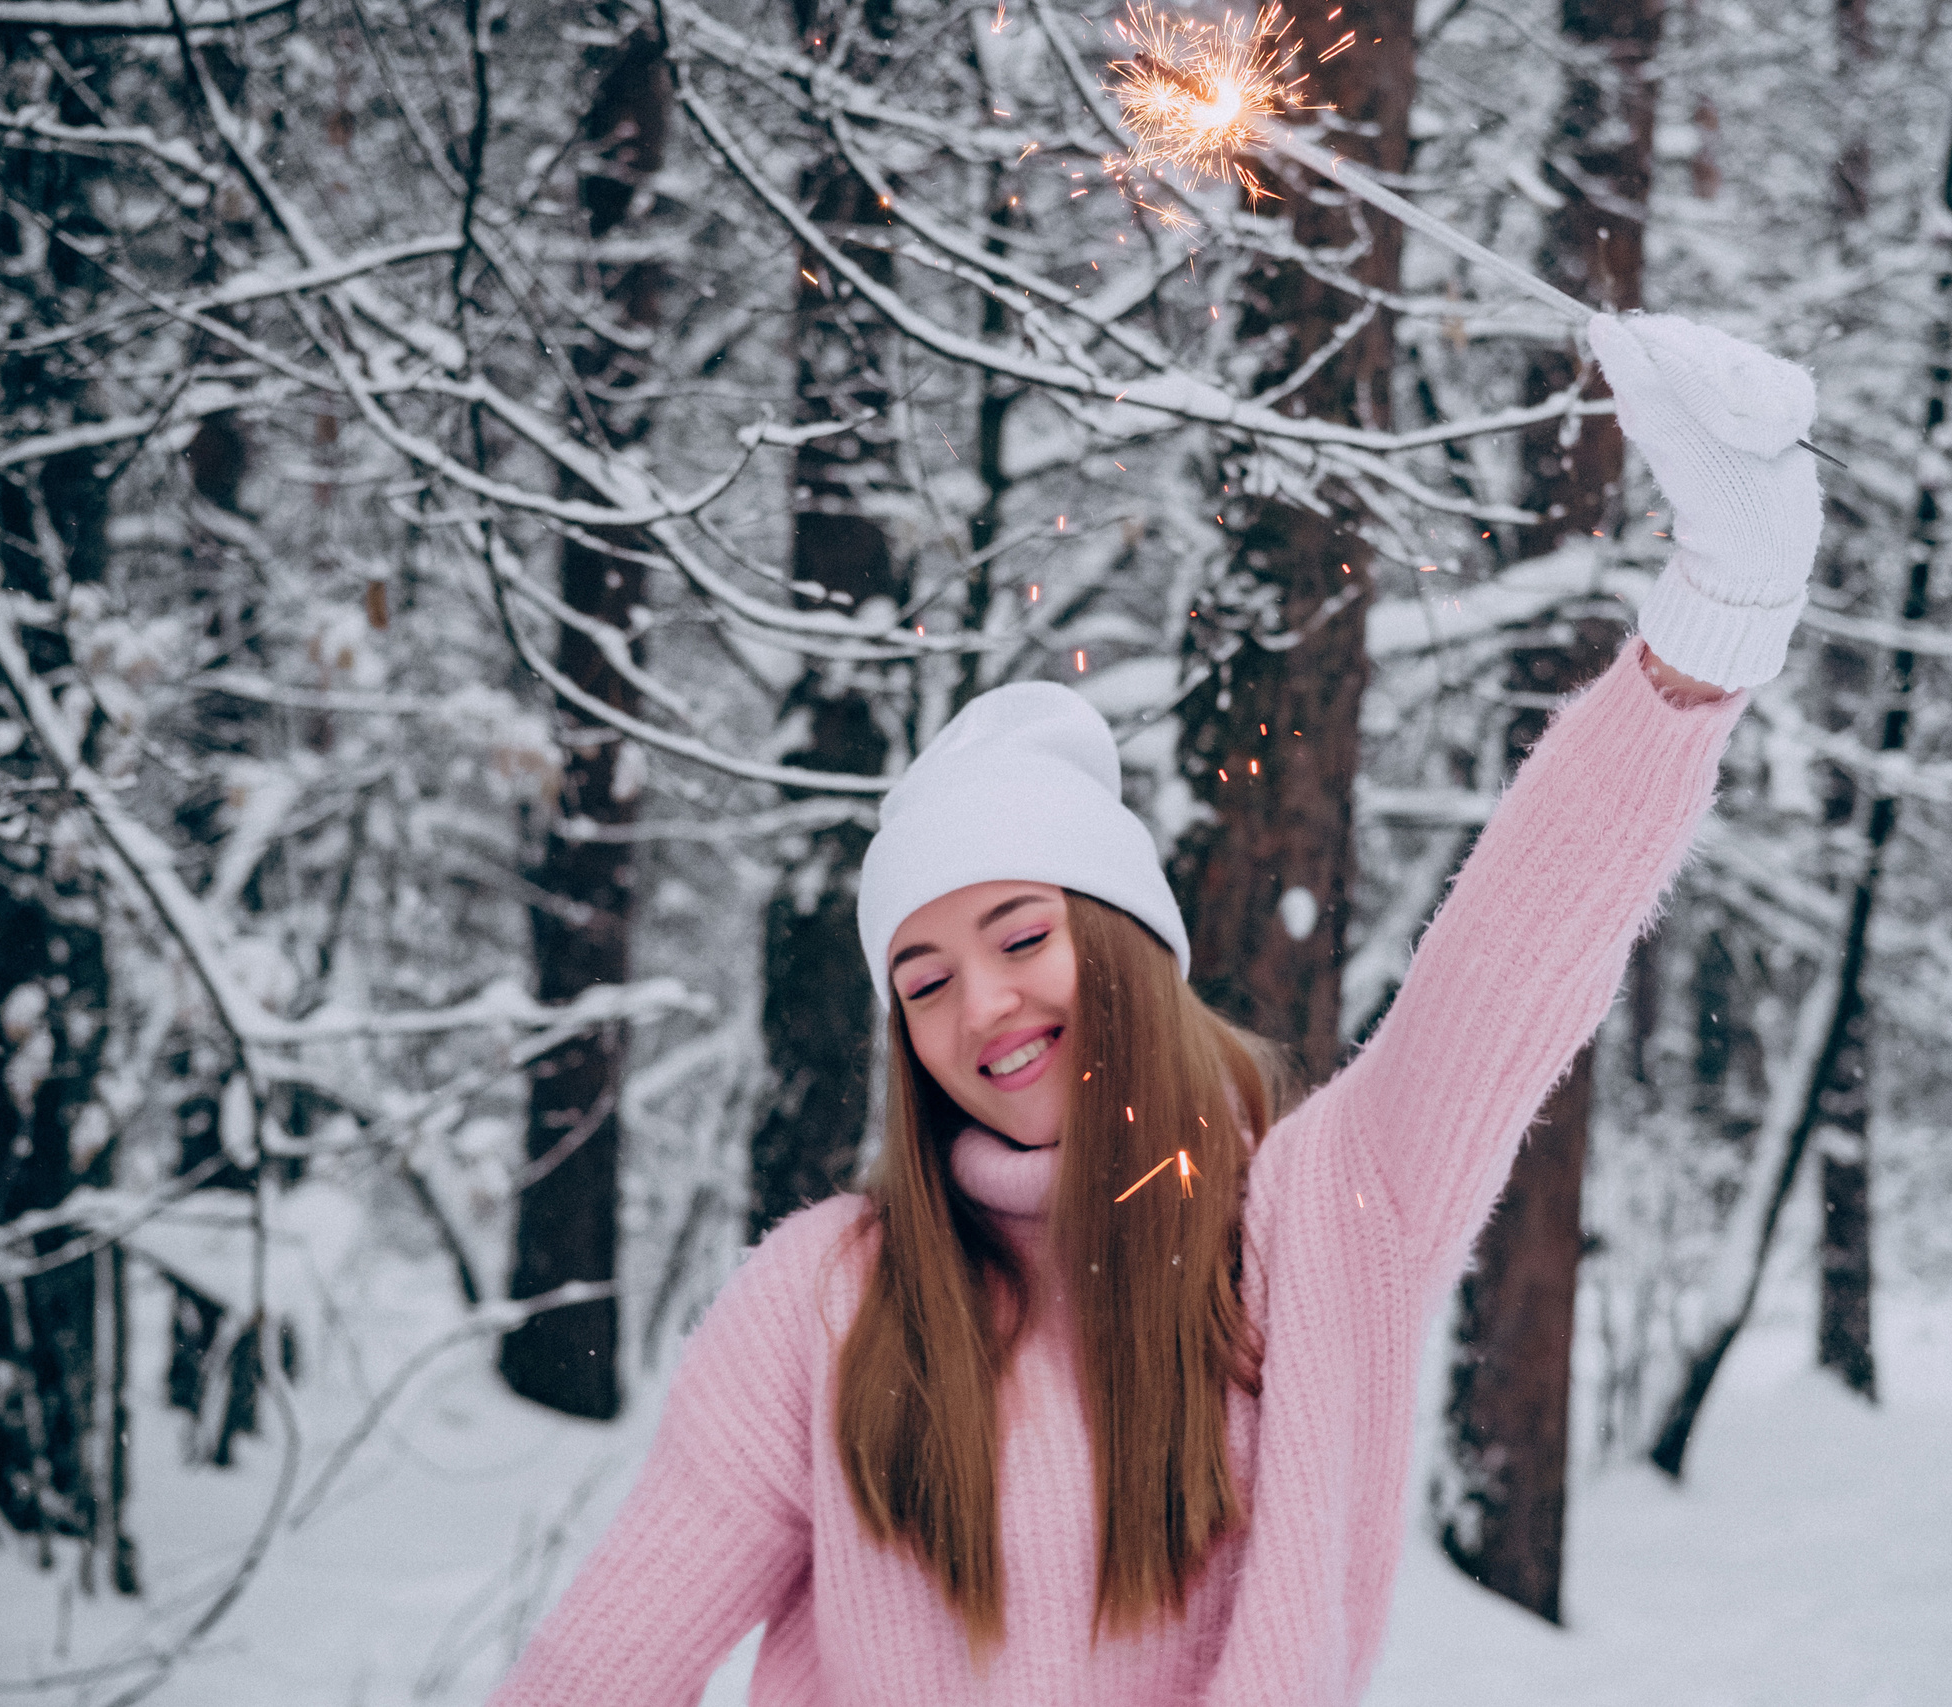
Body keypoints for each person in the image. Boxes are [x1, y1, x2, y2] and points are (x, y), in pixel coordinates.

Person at [484, 311, 1824, 1706]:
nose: (980, 1005)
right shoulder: (831, 1301)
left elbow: (1509, 961)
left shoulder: (1310, 1227)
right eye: (923, 980)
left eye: (1020, 934)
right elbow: (595, 1671)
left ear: (1122, 943)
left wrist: (1707, 635)